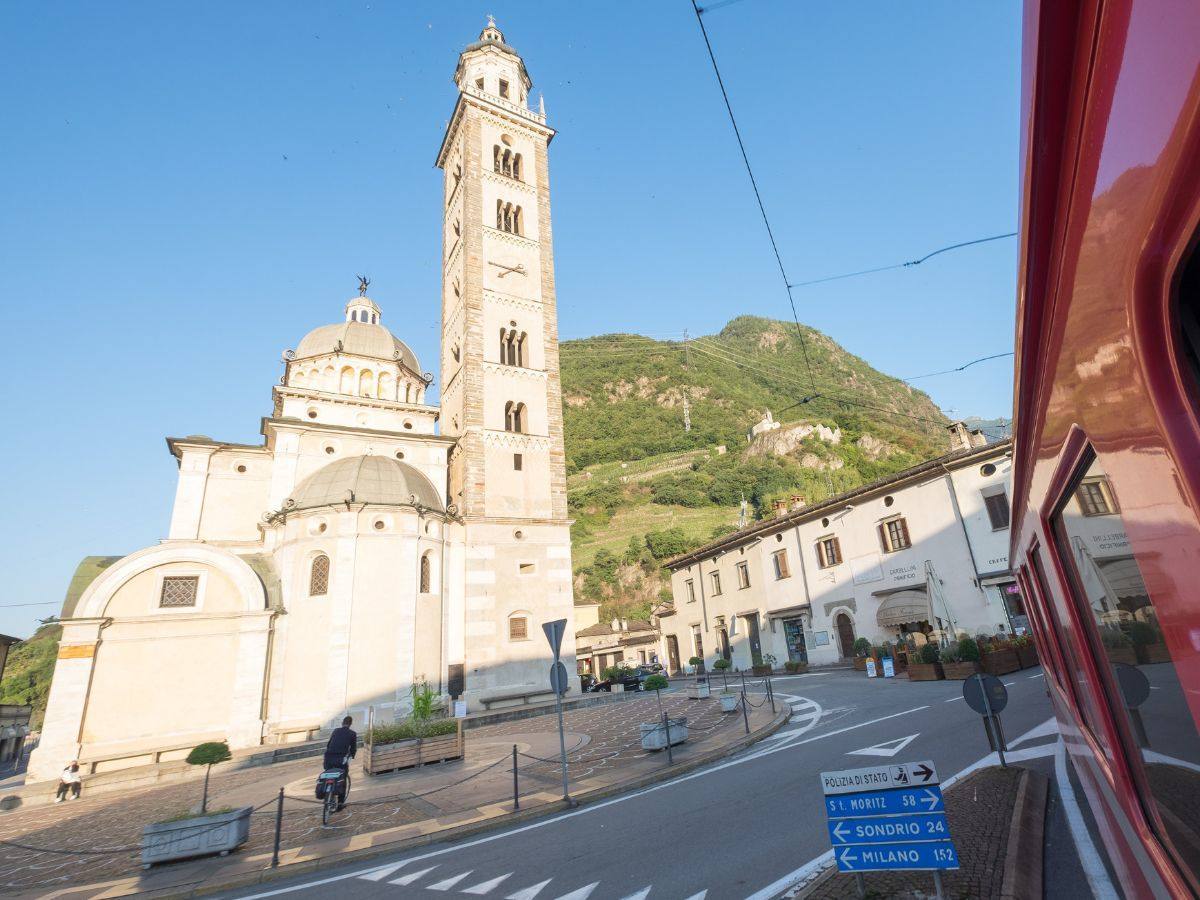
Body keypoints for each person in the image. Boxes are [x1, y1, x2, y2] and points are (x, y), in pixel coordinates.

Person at [322, 716, 357, 808]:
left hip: (328, 758)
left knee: (328, 773)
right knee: (343, 778)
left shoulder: (336, 731)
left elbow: (329, 744)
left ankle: (327, 794)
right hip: (340, 760)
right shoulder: (352, 733)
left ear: (342, 723)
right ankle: (340, 803)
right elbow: (353, 748)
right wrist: (352, 755)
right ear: (350, 724)